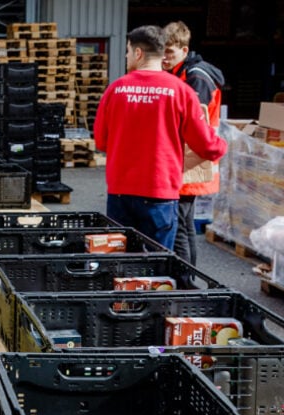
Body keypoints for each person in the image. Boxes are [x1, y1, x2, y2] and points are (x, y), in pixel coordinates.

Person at [93, 25, 227, 250]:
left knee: (120, 258)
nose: (126, 57)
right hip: (160, 192)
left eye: (127, 51)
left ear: (138, 53)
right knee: (158, 262)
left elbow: (101, 141)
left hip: (120, 192)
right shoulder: (180, 91)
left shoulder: (115, 89)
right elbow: (205, 145)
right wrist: (222, 146)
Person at [162, 20, 225, 265]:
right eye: (163, 51)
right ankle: (188, 277)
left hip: (192, 159)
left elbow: (190, 120)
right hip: (190, 158)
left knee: (179, 225)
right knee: (184, 224)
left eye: (170, 52)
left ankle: (186, 279)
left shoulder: (197, 78)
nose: (165, 58)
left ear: (184, 51)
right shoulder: (181, 73)